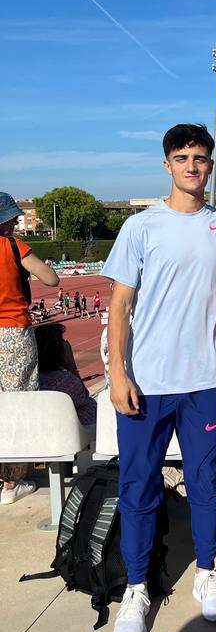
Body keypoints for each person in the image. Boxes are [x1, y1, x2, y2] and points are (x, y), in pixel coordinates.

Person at [102, 123, 216, 632]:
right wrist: (118, 373)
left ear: (210, 165)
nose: (191, 166)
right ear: (167, 165)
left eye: (200, 158)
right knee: (138, 484)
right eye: (181, 158)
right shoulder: (141, 226)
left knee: (207, 482)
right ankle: (136, 587)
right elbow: (120, 304)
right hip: (147, 381)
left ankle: (207, 571)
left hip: (206, 379)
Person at [0, 192, 59, 504]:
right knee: (19, 405)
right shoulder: (14, 246)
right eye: (11, 218)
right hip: (12, 331)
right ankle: (11, 483)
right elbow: (51, 279)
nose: (15, 222)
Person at [34, 322, 97, 426]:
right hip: (69, 428)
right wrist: (72, 367)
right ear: (58, 349)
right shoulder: (66, 380)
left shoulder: (33, 380)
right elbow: (83, 398)